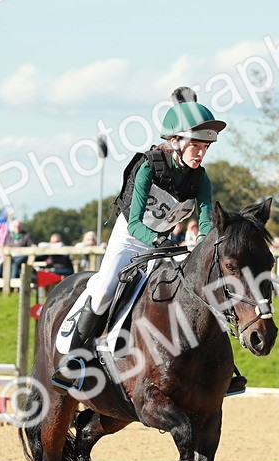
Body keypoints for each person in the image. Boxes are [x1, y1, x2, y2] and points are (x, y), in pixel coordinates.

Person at [52, 86, 246, 395]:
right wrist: (155, 240)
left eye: (204, 147)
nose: (200, 152)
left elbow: (207, 220)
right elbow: (134, 222)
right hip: (130, 240)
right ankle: (73, 361)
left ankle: (221, 367)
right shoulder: (148, 167)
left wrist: (205, 241)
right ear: (175, 142)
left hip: (165, 245)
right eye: (195, 145)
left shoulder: (201, 178)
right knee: (103, 290)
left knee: (202, 286)